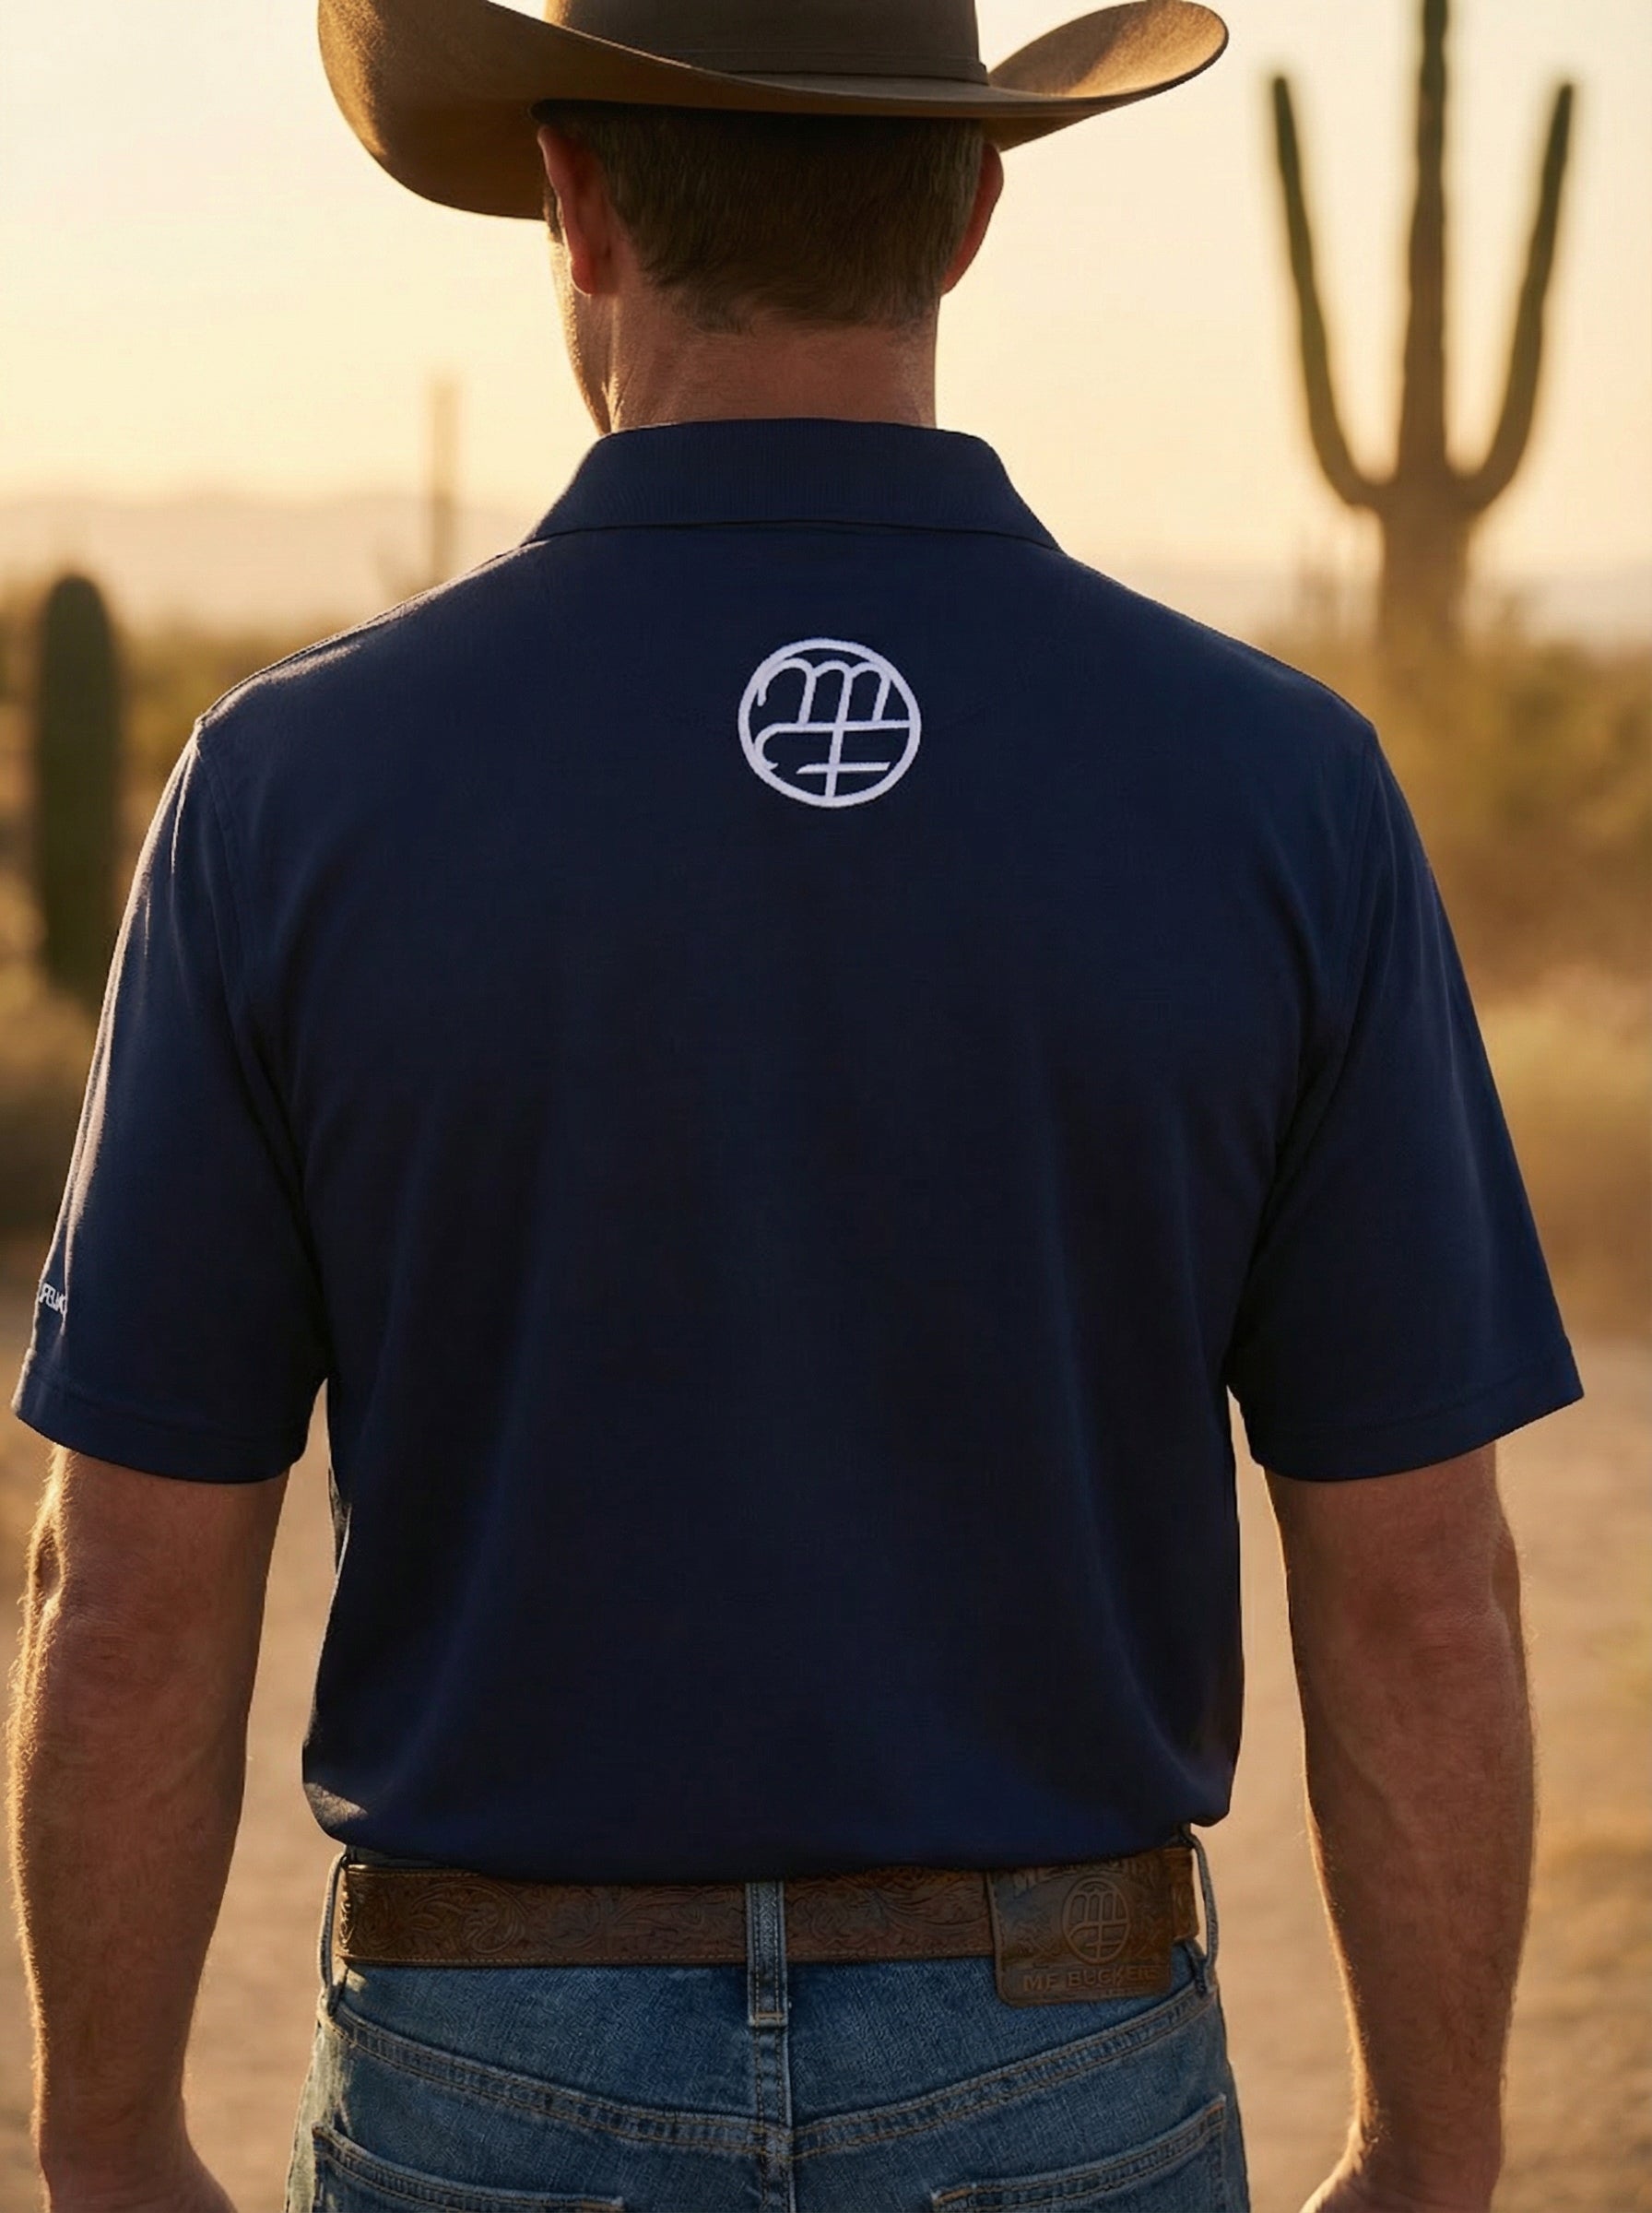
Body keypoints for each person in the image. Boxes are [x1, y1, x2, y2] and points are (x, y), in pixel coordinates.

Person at [7, 2, 1585, 2209]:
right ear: (967, 208)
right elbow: (1422, 1588)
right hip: (1065, 2071)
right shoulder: (1274, 788)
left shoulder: (292, 794)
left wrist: (99, 2146)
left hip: (488, 2076)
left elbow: (129, 1585)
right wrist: (1431, 2153)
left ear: (568, 205)